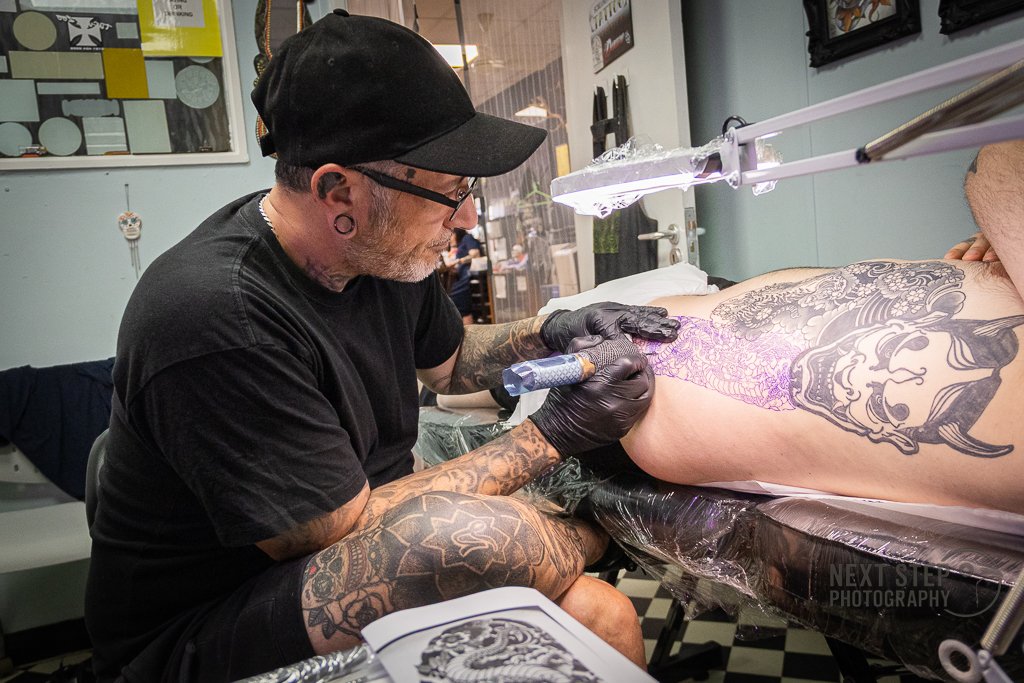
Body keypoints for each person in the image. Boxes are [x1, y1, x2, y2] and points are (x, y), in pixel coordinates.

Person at [84, 12, 681, 682]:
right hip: (201, 630)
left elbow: (453, 361)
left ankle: (584, 531)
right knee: (471, 539)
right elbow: (344, 528)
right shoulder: (215, 314)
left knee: (604, 617)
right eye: (450, 192)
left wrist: (551, 330)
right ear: (340, 192)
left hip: (356, 542)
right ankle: (595, 527)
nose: (467, 218)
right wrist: (558, 433)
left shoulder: (381, 251)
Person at [617, 141, 1024, 516]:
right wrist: (997, 235)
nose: (862, 377)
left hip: (622, 419)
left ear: (895, 434)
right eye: (895, 349)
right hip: (663, 308)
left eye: (887, 402)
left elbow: (998, 162)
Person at [446, 227, 483, 324]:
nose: (450, 238)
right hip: (462, 274)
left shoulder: (467, 238)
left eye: (451, 235)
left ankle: (467, 326)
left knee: (457, 297)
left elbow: (475, 254)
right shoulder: (459, 244)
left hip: (468, 275)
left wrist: (458, 261)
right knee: (452, 297)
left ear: (456, 233)